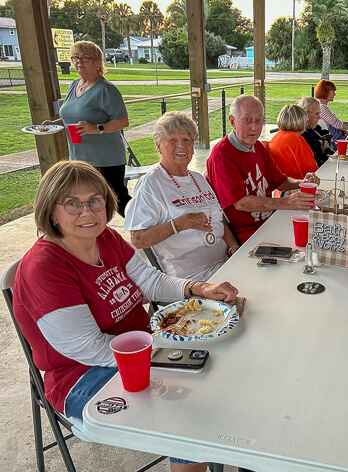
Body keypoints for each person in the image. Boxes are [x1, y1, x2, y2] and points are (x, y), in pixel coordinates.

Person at [12, 161, 238, 472]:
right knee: (190, 411)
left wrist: (198, 288)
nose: (88, 212)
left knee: (228, 369)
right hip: (81, 376)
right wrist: (168, 358)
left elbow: (150, 281)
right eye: (72, 204)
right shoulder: (44, 268)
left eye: (95, 200)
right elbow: (87, 348)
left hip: (143, 350)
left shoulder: (106, 238)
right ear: (51, 211)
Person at [124, 111, 239, 280]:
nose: (181, 146)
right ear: (158, 146)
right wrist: (179, 224)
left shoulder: (197, 178)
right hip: (189, 278)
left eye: (187, 140)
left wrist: (234, 248)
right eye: (172, 140)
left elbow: (218, 219)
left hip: (225, 265)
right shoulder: (151, 184)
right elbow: (138, 239)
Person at [206, 95, 319, 244]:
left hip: (271, 221)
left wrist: (302, 182)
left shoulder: (257, 146)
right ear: (232, 121)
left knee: (318, 233)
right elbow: (240, 203)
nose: (254, 127)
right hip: (250, 234)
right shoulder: (222, 154)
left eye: (258, 120)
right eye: (247, 120)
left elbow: (281, 182)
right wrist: (284, 203)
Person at [42, 41, 131, 216]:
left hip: (106, 158)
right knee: (89, 202)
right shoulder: (74, 85)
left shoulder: (106, 89)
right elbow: (72, 116)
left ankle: (148, 229)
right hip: (79, 157)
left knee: (118, 200)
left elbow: (122, 121)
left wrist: (96, 128)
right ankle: (95, 236)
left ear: (98, 61)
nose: (78, 62)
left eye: (84, 58)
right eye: (75, 57)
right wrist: (55, 124)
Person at [268, 105, 319, 179]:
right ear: (302, 121)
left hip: (281, 186)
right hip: (298, 185)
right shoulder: (296, 139)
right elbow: (310, 171)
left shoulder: (276, 137)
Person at [315, 79, 348, 143]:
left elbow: (334, 123)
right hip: (335, 142)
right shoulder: (322, 108)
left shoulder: (321, 106)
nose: (334, 94)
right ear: (326, 92)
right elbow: (338, 124)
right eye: (332, 91)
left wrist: (346, 132)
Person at [298, 96, 334, 166]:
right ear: (305, 114)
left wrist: (323, 142)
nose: (319, 117)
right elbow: (308, 146)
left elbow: (326, 135)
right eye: (317, 114)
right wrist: (319, 144)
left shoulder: (314, 128)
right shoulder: (299, 133)